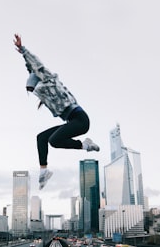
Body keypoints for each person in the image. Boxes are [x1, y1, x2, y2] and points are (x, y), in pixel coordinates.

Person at [14, 34, 99, 189]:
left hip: (81, 120)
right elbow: (30, 70)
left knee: (53, 140)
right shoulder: (42, 89)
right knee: (41, 138)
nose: (35, 92)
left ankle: (85, 146)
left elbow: (36, 66)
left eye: (33, 88)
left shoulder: (48, 80)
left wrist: (23, 50)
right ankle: (43, 171)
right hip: (72, 121)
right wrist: (25, 62)